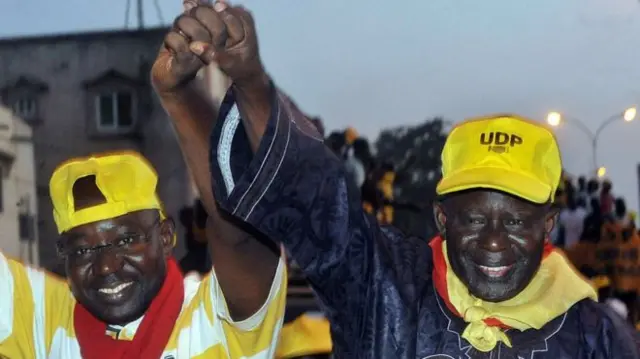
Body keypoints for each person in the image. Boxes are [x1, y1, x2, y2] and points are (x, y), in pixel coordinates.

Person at [153, 2, 640, 357]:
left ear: (549, 225)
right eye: (473, 218)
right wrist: (251, 83)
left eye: (516, 221)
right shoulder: (385, 290)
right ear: (442, 218)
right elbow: (318, 199)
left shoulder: (597, 337)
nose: (494, 242)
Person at [0, 151, 286, 358]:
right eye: (83, 249)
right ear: (64, 254)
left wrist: (179, 97)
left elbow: (242, 235)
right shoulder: (43, 317)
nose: (106, 267)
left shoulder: (213, 318)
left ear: (164, 237)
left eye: (126, 240)